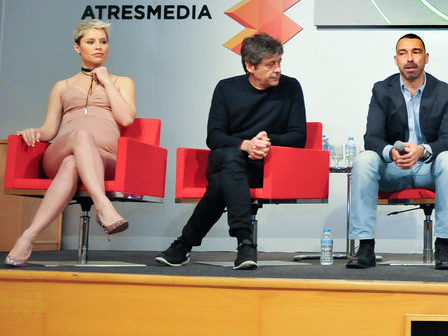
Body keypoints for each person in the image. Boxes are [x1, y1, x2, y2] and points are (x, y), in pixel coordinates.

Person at [155, 33, 306, 270]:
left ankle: (185, 244)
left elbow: (299, 137)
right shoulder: (226, 88)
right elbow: (214, 137)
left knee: (225, 177)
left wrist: (266, 141)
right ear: (250, 66)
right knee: (231, 158)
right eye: (270, 64)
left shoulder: (291, 87)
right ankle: (244, 241)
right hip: (229, 157)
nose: (277, 69)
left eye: (279, 63)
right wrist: (245, 144)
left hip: (264, 166)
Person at [4, 20, 135, 267]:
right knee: (81, 136)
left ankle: (28, 236)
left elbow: (126, 118)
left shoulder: (121, 82)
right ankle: (103, 207)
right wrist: (34, 131)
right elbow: (50, 129)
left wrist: (106, 82)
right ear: (77, 48)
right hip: (60, 150)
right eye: (91, 42)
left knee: (72, 164)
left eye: (103, 42)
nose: (98, 47)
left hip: (105, 159)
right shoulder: (62, 86)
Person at [346, 33, 448, 270]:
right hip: (393, 169)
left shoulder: (445, 91)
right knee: (365, 159)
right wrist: (391, 153)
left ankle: (444, 248)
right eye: (403, 53)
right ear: (396, 59)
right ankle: (365, 247)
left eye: (416, 52)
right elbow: (372, 138)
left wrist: (422, 150)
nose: (410, 58)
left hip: (428, 168)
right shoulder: (382, 90)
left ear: (426, 58)